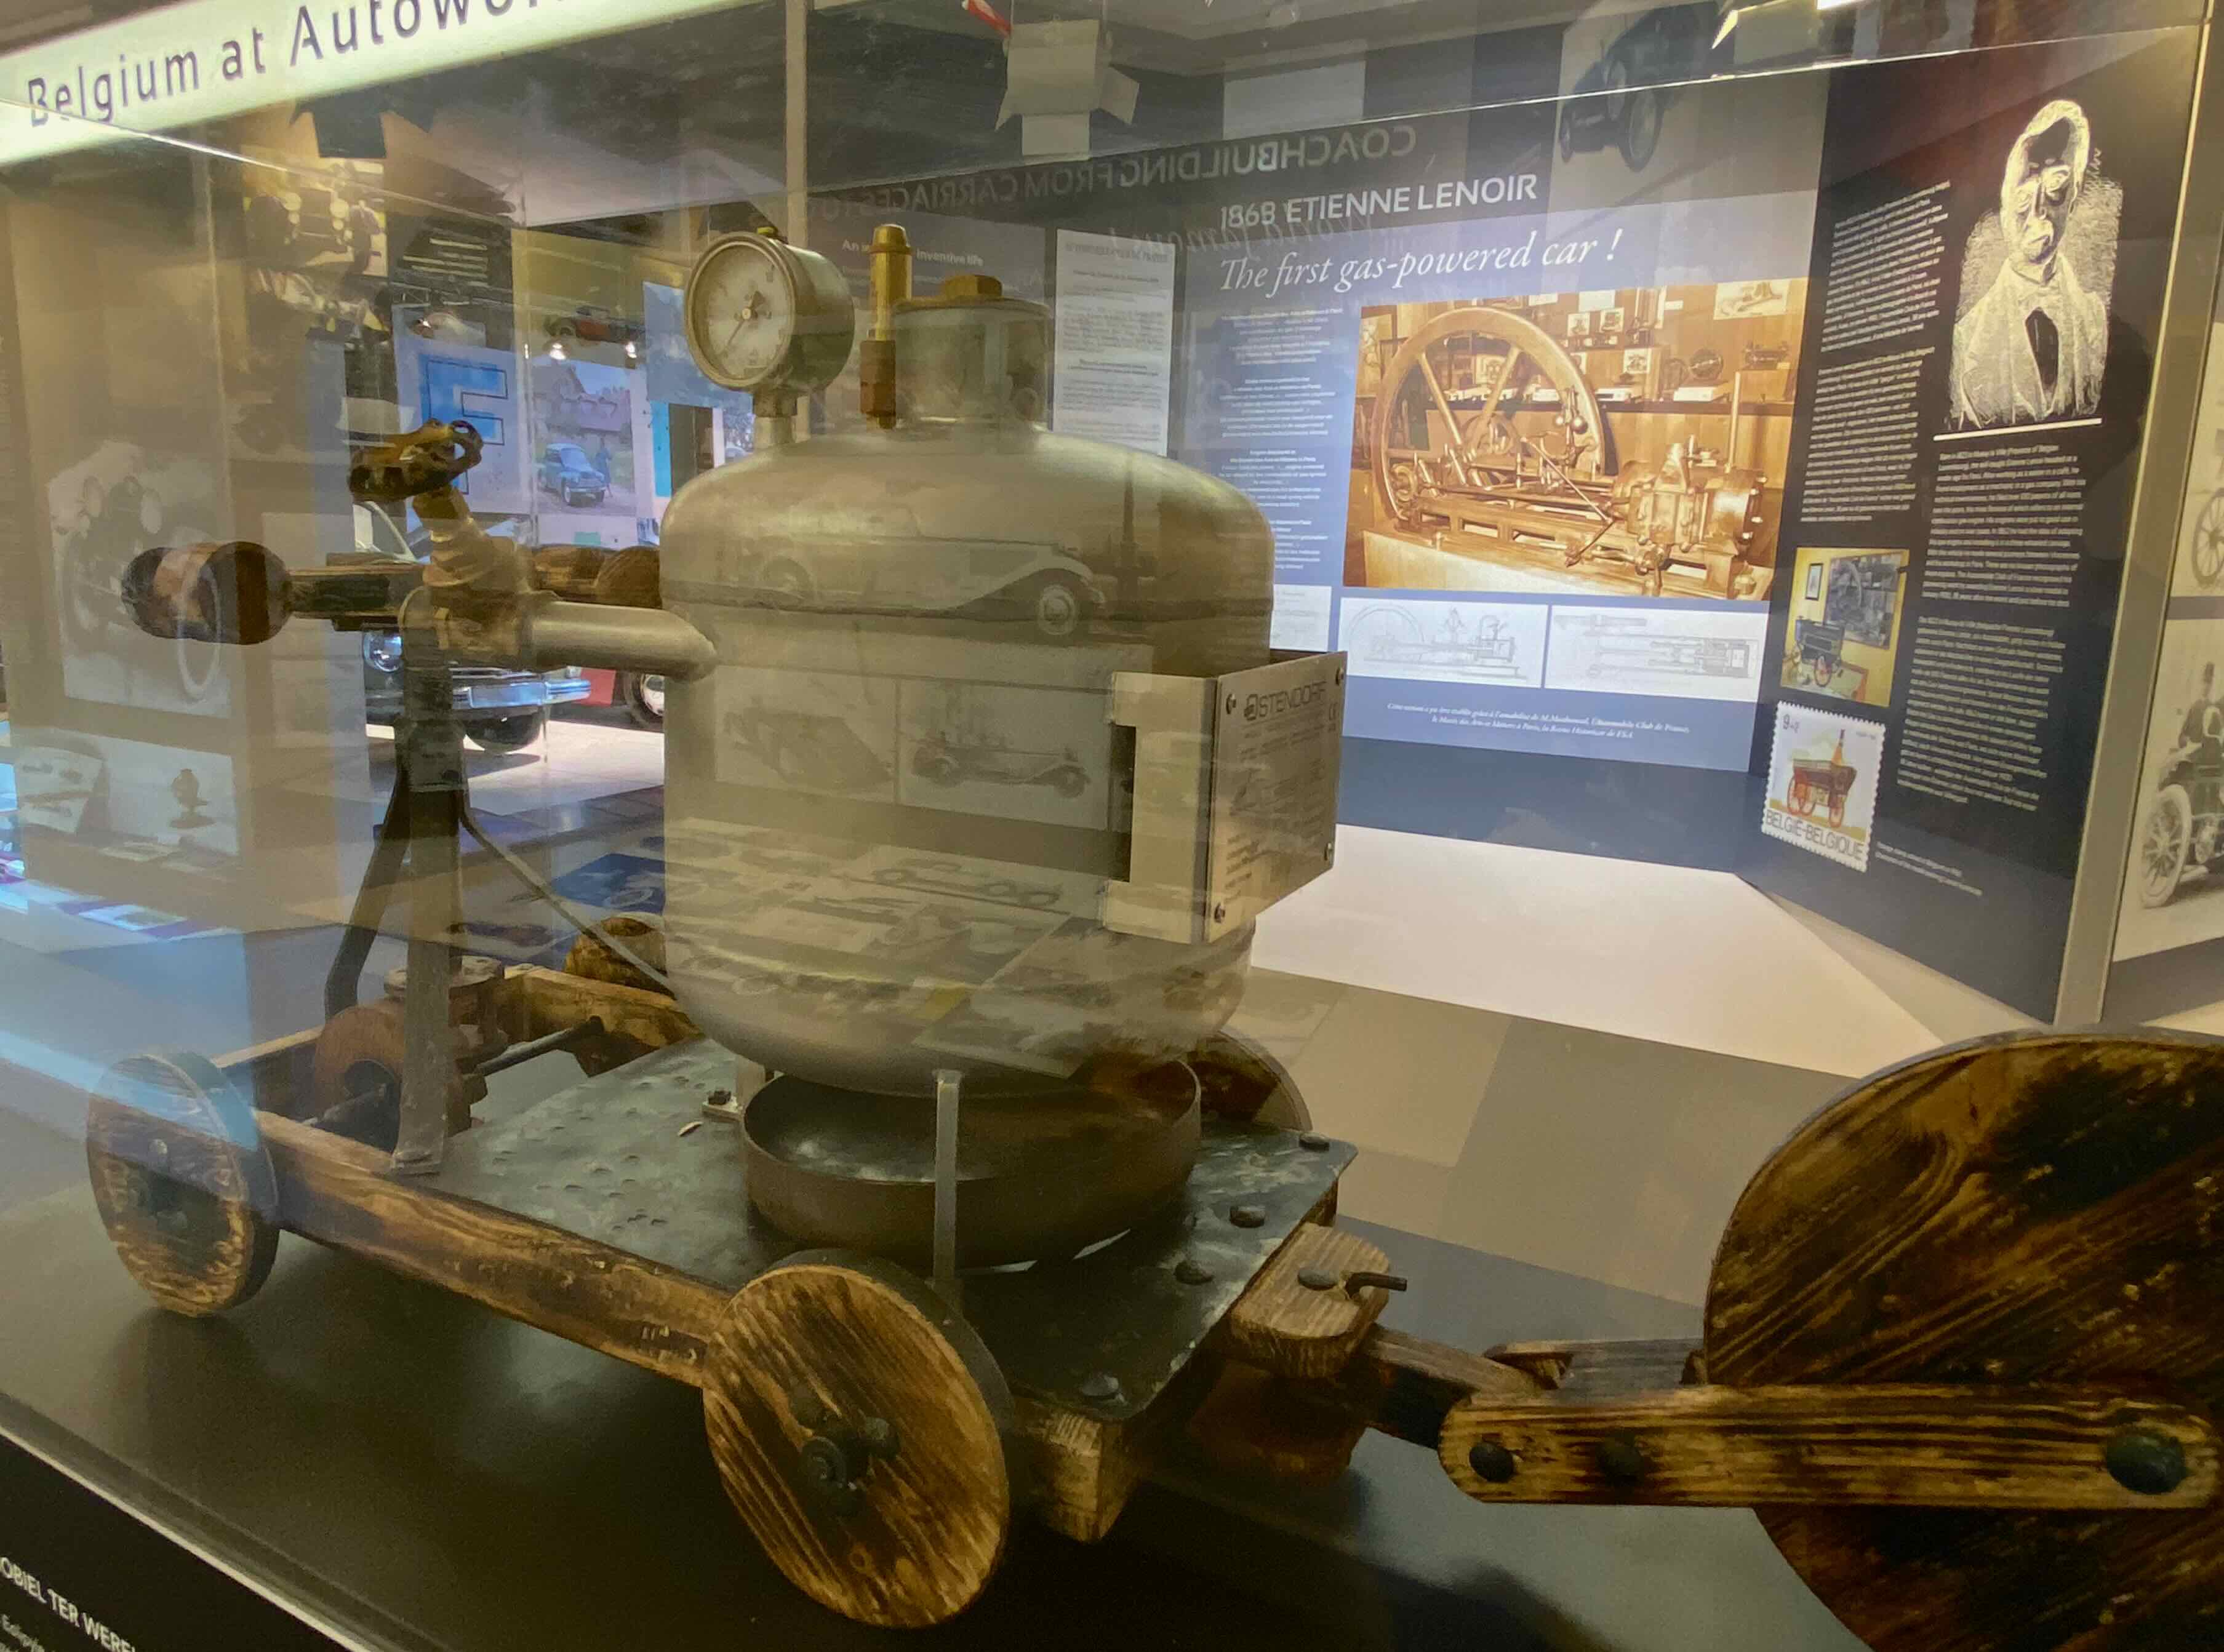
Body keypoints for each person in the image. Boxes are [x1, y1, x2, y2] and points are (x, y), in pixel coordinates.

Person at [1949, 100, 2110, 429]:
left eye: (2056, 187)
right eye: (2023, 195)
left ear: (2074, 196)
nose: (2038, 212)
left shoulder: (2094, 319)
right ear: (2005, 202)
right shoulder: (1969, 336)